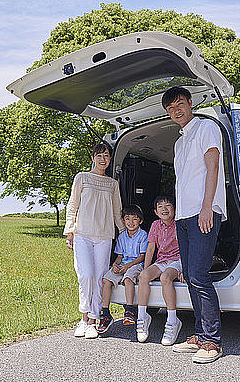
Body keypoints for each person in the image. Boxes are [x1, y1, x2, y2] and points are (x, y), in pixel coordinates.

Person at [163, 86, 227, 363]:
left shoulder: (206, 128)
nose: (176, 111)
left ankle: (212, 343)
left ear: (190, 103)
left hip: (203, 211)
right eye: (170, 109)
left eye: (179, 104)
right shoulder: (179, 142)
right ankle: (200, 335)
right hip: (183, 217)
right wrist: (180, 214)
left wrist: (206, 208)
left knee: (200, 275)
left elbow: (212, 168)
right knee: (189, 275)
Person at [64, 142, 125, 339]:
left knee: (99, 277)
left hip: (105, 236)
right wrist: (70, 231)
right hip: (82, 234)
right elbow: (73, 205)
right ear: (92, 158)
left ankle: (93, 320)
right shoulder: (82, 178)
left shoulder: (113, 183)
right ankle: (83, 318)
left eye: (106, 155)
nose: (103, 159)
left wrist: (125, 233)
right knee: (86, 275)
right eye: (99, 155)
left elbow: (117, 211)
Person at [136, 196, 184, 346]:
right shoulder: (155, 225)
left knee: (165, 278)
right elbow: (151, 248)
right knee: (143, 276)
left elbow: (186, 247)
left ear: (174, 210)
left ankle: (172, 320)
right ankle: (142, 317)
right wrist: (146, 269)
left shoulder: (179, 224)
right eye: (160, 207)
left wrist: (186, 270)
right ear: (156, 212)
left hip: (178, 260)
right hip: (162, 260)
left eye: (168, 205)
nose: (164, 209)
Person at [97, 205, 148, 334]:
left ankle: (129, 310)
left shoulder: (143, 235)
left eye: (135, 219)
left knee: (128, 278)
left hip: (136, 265)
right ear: (123, 221)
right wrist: (115, 264)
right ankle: (105, 313)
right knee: (106, 279)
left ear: (140, 221)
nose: (131, 222)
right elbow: (120, 256)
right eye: (127, 219)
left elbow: (142, 257)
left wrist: (127, 266)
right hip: (123, 264)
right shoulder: (122, 236)